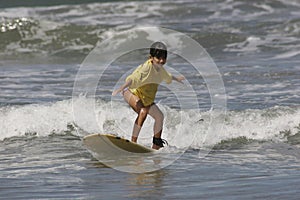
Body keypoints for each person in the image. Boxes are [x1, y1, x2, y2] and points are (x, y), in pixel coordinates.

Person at [112, 42, 184, 150]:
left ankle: (156, 144)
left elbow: (167, 76)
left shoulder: (160, 70)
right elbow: (133, 78)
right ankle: (133, 142)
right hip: (130, 92)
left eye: (163, 58)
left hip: (146, 99)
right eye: (158, 58)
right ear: (151, 58)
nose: (161, 61)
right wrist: (122, 87)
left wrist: (176, 79)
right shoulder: (146, 68)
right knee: (143, 111)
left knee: (159, 116)